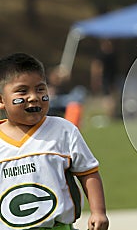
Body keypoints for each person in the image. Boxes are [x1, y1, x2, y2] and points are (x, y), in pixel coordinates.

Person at [0, 53, 109, 230]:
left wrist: (98, 212)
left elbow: (88, 172)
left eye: (40, 89)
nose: (34, 97)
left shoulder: (64, 130)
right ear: (1, 100)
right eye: (23, 91)